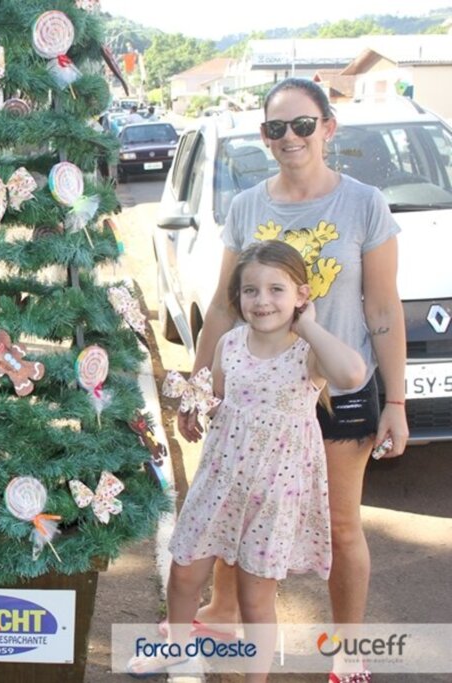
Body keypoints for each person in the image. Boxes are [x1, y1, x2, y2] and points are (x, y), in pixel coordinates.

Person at [176, 77, 407, 683]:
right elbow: (225, 308)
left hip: (337, 385)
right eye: (277, 128)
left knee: (341, 523)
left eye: (303, 124)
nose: (290, 138)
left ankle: (348, 647)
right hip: (258, 383)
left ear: (328, 128)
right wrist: (201, 387)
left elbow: (382, 310)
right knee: (239, 504)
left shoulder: (364, 203)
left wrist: (398, 400)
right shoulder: (248, 205)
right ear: (264, 137)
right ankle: (224, 612)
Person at [129, 241, 367, 680]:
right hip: (220, 482)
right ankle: (176, 647)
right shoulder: (230, 344)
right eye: (251, 291)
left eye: (277, 290)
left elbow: (353, 375)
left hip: (274, 494)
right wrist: (200, 412)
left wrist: (309, 326)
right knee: (184, 574)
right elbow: (223, 400)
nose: (262, 301)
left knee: (257, 601)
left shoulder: (308, 352)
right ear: (238, 298)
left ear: (301, 295)